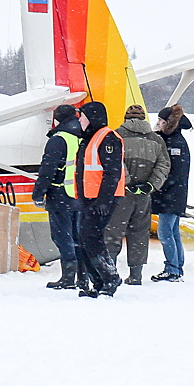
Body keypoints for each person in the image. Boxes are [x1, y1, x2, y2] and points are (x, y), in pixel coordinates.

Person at [104, 105, 170, 285]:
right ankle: (136, 275)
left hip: (120, 194)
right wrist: (149, 185)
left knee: (113, 233)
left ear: (125, 118)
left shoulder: (116, 136)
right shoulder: (156, 140)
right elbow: (164, 166)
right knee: (139, 234)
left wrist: (128, 181)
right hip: (144, 196)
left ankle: (111, 273)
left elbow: (114, 161)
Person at [74, 101, 125, 298]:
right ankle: (99, 282)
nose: (80, 120)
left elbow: (112, 173)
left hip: (102, 198)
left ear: (92, 117)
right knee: (85, 238)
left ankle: (109, 277)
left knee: (90, 237)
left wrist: (104, 200)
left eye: (83, 116)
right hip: (90, 197)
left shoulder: (107, 138)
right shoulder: (89, 138)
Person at [31, 104, 83, 289]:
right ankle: (81, 277)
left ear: (57, 120)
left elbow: (48, 169)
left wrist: (38, 193)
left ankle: (68, 277)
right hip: (79, 194)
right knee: (78, 237)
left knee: (62, 237)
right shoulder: (82, 137)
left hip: (60, 194)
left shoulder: (59, 139)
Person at [151, 104, 192, 282]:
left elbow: (175, 172)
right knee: (173, 231)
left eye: (161, 121)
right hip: (174, 195)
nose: (158, 124)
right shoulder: (171, 140)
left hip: (171, 195)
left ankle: (172, 268)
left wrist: (158, 187)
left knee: (165, 232)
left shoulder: (174, 143)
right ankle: (176, 266)